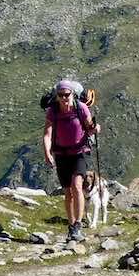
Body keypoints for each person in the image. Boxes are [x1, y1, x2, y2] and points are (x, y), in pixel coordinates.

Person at [43, 78, 99, 242]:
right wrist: (47, 152)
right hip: (61, 153)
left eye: (66, 94)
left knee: (76, 186)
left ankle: (78, 226)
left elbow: (89, 127)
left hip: (80, 152)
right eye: (60, 95)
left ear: (72, 94)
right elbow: (47, 133)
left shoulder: (80, 108)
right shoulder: (53, 111)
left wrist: (95, 128)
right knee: (68, 192)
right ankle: (71, 225)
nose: (64, 98)